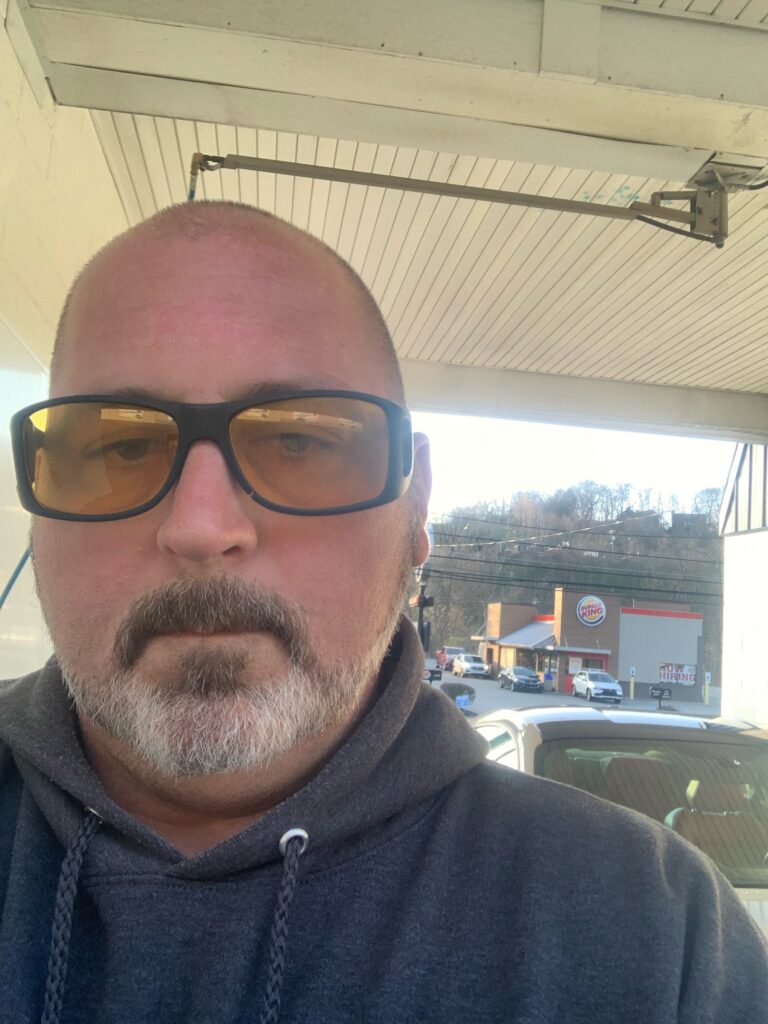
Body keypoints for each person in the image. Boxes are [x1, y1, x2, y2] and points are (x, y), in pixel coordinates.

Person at [0, 202, 765, 1024]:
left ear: (418, 503)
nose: (201, 527)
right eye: (120, 446)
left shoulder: (659, 939)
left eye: (299, 442)